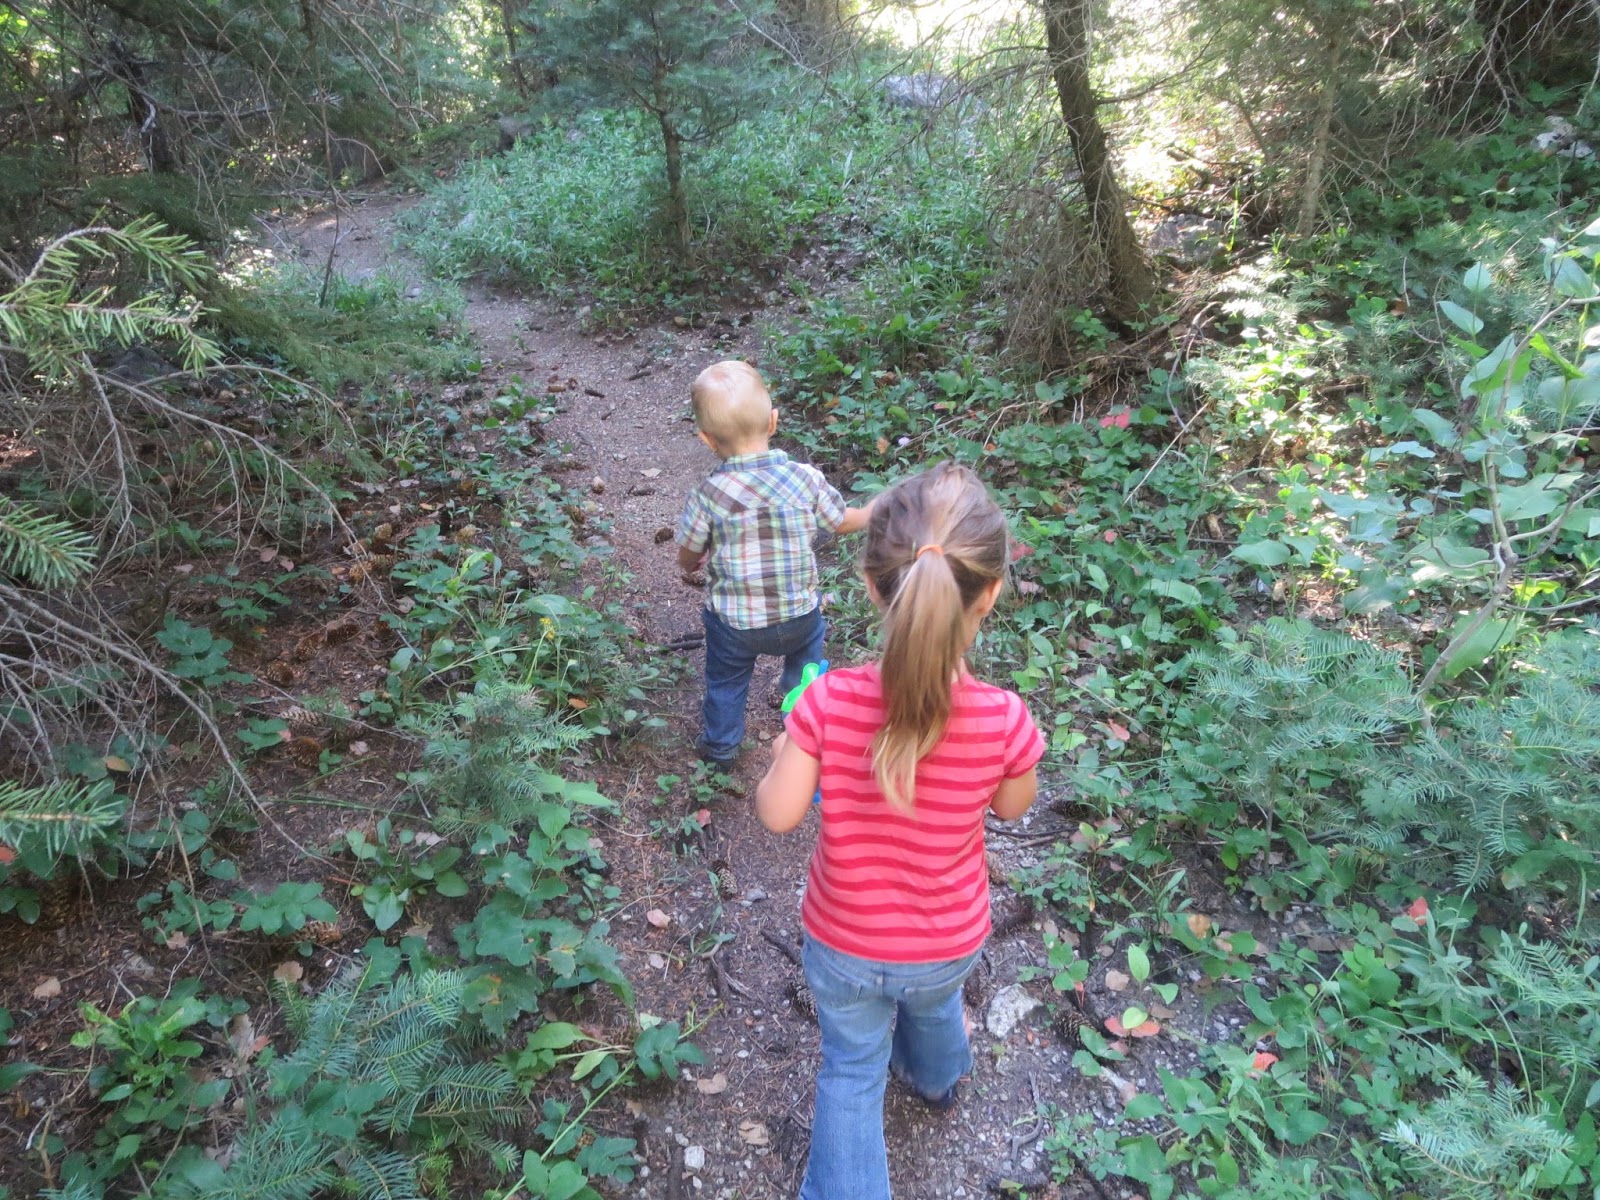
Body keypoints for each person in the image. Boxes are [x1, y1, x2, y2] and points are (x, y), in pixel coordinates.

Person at [755, 461, 1044, 1200]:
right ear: (991, 594)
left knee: (851, 1071)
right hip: (947, 939)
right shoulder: (1006, 718)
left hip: (845, 940)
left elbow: (778, 814)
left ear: (869, 583)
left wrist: (787, 745)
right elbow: (1012, 810)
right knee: (935, 1006)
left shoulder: (826, 704)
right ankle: (938, 1080)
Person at [676, 360, 871, 766]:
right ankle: (803, 723)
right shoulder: (805, 478)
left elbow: (689, 551)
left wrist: (689, 564)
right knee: (808, 666)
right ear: (774, 421)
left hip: (736, 625)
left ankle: (722, 749)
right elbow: (841, 522)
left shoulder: (708, 494)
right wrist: (873, 511)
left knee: (726, 682)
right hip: (799, 616)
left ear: (707, 440)